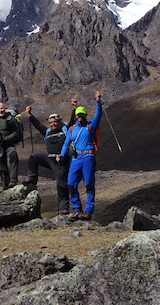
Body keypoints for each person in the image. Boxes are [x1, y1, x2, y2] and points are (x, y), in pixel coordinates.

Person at [58, 91, 103, 221]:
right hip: (76, 159)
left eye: (82, 114)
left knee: (89, 183)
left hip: (88, 157)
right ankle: (77, 210)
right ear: (76, 115)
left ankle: (88, 210)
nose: (80, 116)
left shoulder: (90, 126)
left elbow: (99, 114)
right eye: (78, 114)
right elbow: (67, 144)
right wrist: (61, 155)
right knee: (71, 184)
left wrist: (98, 101)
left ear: (85, 115)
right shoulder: (72, 129)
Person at [23, 106, 70, 215]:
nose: (53, 124)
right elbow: (38, 125)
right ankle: (32, 178)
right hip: (49, 159)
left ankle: (63, 208)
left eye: (55, 122)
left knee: (61, 183)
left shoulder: (65, 130)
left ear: (59, 122)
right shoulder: (47, 132)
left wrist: (74, 108)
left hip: (61, 161)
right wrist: (30, 114)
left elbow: (73, 121)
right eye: (51, 122)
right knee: (34, 157)